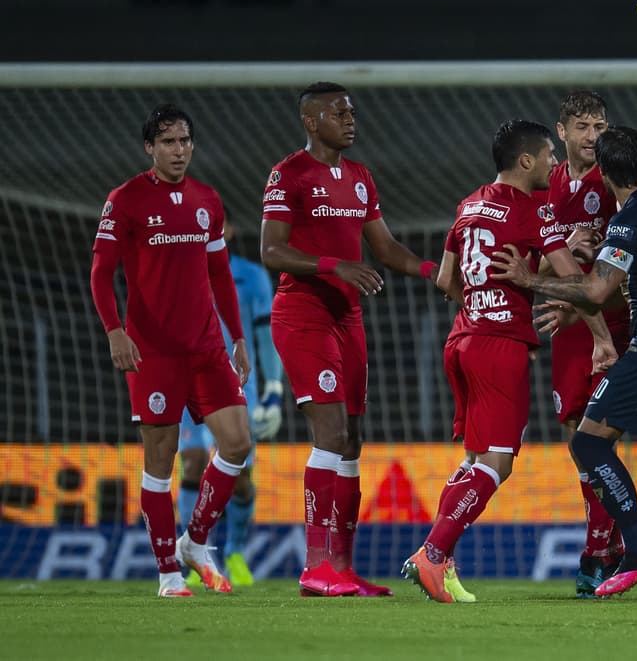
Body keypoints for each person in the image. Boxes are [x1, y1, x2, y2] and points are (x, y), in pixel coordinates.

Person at [490, 126, 637, 599]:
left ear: (603, 172)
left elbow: (598, 289)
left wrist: (529, 280)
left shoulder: (629, 220)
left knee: (589, 444)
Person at [401, 120, 619, 604]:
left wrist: (484, 301)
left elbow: (444, 279)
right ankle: (432, 554)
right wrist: (601, 338)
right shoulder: (535, 210)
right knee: (498, 462)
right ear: (526, 161)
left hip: (461, 339)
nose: (553, 166)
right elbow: (577, 283)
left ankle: (443, 561)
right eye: (547, 157)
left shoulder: (469, 203)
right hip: (499, 348)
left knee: (474, 460)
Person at [260, 81, 438, 598]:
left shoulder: (360, 177)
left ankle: (341, 566)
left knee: (353, 441)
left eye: (351, 111)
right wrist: (334, 264)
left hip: (348, 319)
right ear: (311, 122)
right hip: (303, 314)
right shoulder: (288, 173)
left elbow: (384, 248)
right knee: (331, 434)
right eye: (338, 112)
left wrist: (434, 272)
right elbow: (272, 249)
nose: (349, 118)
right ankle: (314, 566)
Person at [90, 104, 253, 597]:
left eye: (184, 141)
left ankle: (195, 540)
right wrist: (115, 330)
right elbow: (100, 273)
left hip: (205, 345)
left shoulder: (207, 199)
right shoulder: (126, 200)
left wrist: (238, 337)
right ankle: (167, 574)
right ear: (149, 148)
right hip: (153, 351)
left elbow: (220, 274)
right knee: (161, 461)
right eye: (167, 142)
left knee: (238, 443)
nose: (178, 150)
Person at [541, 91, 634, 597]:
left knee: (597, 439)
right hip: (568, 330)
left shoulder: (616, 182)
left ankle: (599, 548)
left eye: (600, 125)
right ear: (562, 132)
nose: (593, 135)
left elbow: (631, 263)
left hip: (613, 325)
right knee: (577, 438)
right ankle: (611, 541)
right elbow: (530, 264)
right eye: (583, 126)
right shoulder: (548, 184)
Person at [177, 215, 285, 588]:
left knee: (239, 476)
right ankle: (195, 553)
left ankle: (236, 551)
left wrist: (274, 389)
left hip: (238, 381)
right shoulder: (175, 269)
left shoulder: (250, 275)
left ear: (229, 231)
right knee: (191, 465)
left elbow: (264, 332)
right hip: (187, 378)